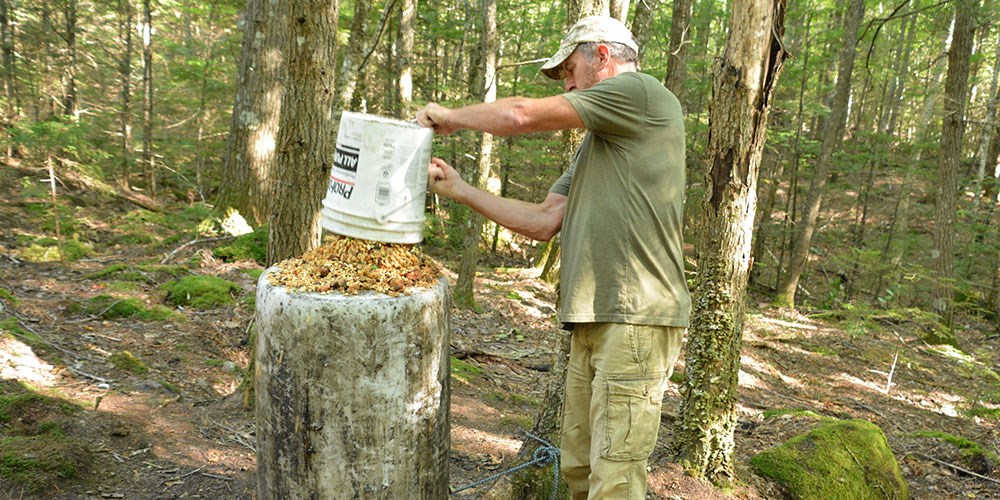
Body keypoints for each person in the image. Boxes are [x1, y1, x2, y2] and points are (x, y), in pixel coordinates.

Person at [416, 15, 690, 500]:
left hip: (636, 318)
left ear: (602, 56)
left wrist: (450, 115)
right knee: (579, 473)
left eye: (568, 71)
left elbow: (522, 116)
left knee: (616, 482)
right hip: (594, 318)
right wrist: (460, 190)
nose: (566, 83)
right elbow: (543, 220)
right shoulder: (599, 144)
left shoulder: (641, 94)